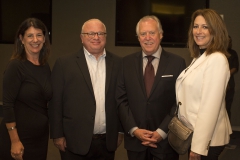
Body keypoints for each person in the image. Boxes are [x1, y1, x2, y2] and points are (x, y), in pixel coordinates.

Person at [49, 19, 123, 160]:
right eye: (90, 33)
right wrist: (57, 135)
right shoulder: (64, 64)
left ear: (105, 37)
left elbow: (122, 100)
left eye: (100, 33)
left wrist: (120, 131)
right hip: (74, 141)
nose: (96, 37)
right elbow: (55, 103)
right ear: (81, 37)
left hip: (107, 142)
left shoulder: (119, 63)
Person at [116, 15, 186, 160]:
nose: (147, 37)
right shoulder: (125, 63)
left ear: (160, 35)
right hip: (136, 142)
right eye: (143, 34)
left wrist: (161, 131)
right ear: (138, 38)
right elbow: (121, 100)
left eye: (152, 33)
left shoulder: (177, 63)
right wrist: (134, 130)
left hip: (166, 142)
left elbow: (179, 102)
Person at [175, 9, 232, 160]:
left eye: (205, 27)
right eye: (195, 26)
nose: (198, 31)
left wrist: (198, 148)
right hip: (195, 134)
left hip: (207, 140)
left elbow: (209, 108)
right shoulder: (201, 57)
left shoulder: (217, 59)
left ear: (215, 30)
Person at [0, 18, 52, 160]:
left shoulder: (45, 66)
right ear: (21, 39)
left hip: (40, 139)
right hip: (19, 139)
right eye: (30, 35)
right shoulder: (16, 66)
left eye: (39, 35)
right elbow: (8, 105)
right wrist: (15, 141)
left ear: (44, 38)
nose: (35, 39)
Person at [225, 36, 239, 121]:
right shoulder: (218, 53)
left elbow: (235, 67)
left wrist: (225, 75)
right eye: (227, 41)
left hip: (230, 84)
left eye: (230, 41)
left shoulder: (233, 53)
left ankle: (227, 131)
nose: (229, 43)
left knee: (227, 108)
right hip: (217, 85)